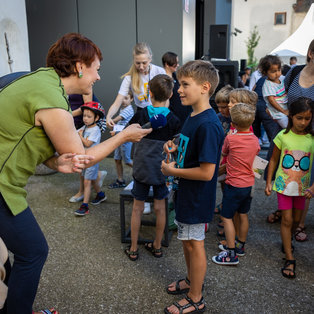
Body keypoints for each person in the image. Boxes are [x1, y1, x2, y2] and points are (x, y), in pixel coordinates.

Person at [0, 32, 151, 314]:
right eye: (96, 69)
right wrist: (123, 137)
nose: (98, 77)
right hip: (1, 187)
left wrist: (55, 163)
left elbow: (24, 133)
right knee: (33, 252)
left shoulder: (38, 81)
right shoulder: (51, 99)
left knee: (11, 255)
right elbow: (82, 157)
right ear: (80, 66)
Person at [161, 60, 224, 314]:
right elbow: (189, 145)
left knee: (194, 244)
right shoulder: (194, 115)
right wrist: (175, 145)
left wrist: (173, 170)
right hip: (186, 193)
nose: (179, 90)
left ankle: (196, 297)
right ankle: (190, 280)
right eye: (179, 84)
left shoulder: (209, 124)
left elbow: (208, 172)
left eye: (185, 84)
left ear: (205, 87)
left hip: (197, 197)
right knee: (186, 242)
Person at [124, 74, 180, 261]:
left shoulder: (141, 114)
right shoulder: (174, 120)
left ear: (149, 93)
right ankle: (157, 246)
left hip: (141, 169)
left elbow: (128, 133)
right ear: (171, 94)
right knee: (160, 208)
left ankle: (133, 248)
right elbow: (178, 144)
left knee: (137, 208)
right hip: (162, 170)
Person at [266, 39, 314, 237]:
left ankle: (300, 221)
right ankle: (284, 208)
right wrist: (275, 112)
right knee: (282, 168)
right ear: (311, 53)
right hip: (287, 130)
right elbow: (280, 95)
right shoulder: (294, 72)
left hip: (310, 135)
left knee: (305, 173)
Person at [265, 97, 314, 279]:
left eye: (307, 118)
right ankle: (289, 257)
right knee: (286, 220)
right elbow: (273, 160)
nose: (302, 122)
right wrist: (269, 181)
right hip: (283, 186)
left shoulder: (311, 139)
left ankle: (288, 241)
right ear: (291, 116)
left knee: (295, 221)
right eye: (299, 117)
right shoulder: (282, 136)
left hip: (302, 189)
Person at [212, 103, 260, 265]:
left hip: (233, 185)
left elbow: (223, 155)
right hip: (248, 185)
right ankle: (240, 245)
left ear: (233, 123)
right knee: (243, 215)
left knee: (226, 217)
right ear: (252, 121)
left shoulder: (231, 138)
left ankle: (231, 253)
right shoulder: (255, 140)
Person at [106, 42, 165, 128]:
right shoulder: (129, 77)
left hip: (159, 110)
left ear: (150, 59)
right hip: (142, 113)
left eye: (144, 63)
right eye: (137, 63)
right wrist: (109, 117)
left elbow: (166, 97)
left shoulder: (159, 71)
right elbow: (117, 102)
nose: (141, 67)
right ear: (133, 60)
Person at [72, 102, 107, 216]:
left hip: (92, 159)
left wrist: (80, 136)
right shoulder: (86, 126)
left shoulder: (95, 130)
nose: (85, 119)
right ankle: (100, 195)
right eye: (84, 116)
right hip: (84, 158)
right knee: (88, 178)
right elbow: (76, 133)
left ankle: (85, 206)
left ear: (96, 118)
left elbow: (87, 143)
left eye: (89, 116)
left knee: (87, 182)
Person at [108, 91, 134, 188]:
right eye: (122, 98)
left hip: (125, 139)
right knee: (117, 159)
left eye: (126, 98)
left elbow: (117, 120)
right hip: (119, 138)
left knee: (127, 160)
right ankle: (120, 180)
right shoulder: (123, 108)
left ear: (131, 99)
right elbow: (120, 125)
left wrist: (109, 120)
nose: (123, 101)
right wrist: (115, 130)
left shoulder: (128, 109)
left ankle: (143, 173)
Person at [162, 51, 192, 130]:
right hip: (172, 112)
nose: (177, 65)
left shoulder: (176, 76)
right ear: (167, 64)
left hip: (181, 111)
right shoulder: (163, 79)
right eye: (175, 63)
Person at [260, 55, 289, 128]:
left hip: (286, 108)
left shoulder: (282, 79)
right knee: (287, 127)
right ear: (265, 72)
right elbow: (271, 100)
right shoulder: (268, 85)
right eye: (273, 71)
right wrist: (283, 111)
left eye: (279, 70)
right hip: (278, 113)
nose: (277, 73)